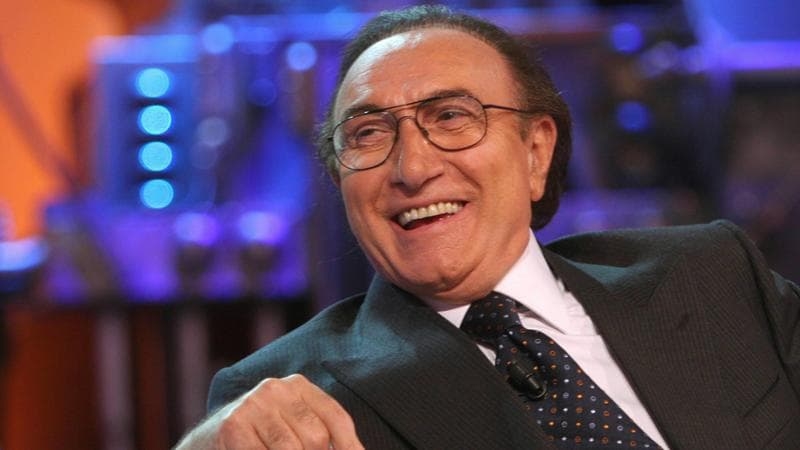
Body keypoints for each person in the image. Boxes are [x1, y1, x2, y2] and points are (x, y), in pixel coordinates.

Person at [176, 5, 800, 449]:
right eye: (367, 134)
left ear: (536, 152)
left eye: (451, 116)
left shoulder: (713, 274)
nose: (412, 168)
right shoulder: (295, 397)